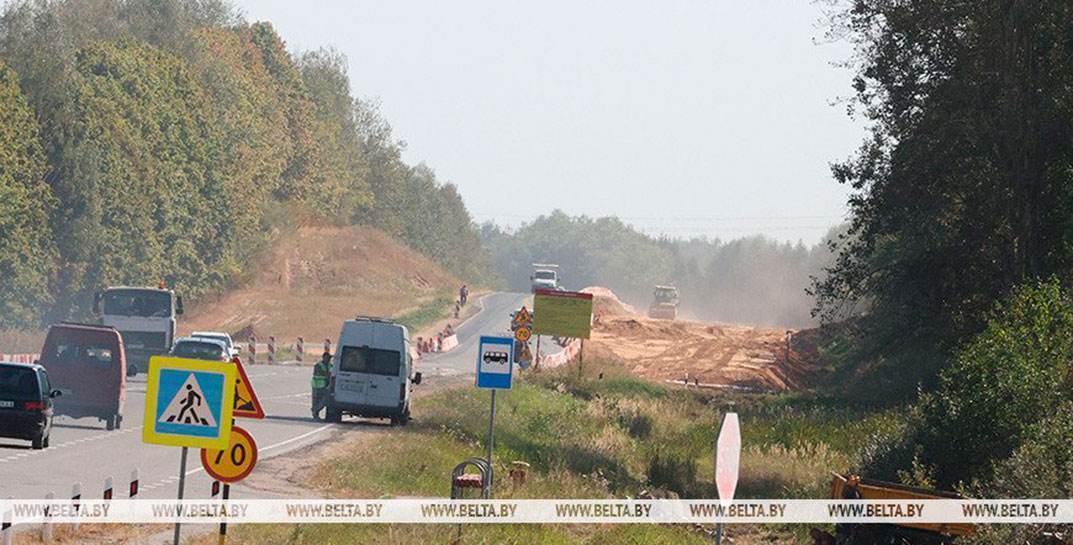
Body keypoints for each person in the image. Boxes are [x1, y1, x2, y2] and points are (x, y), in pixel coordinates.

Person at [311, 351, 331, 421]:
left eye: (329, 358)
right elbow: (322, 373)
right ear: (323, 357)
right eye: (327, 358)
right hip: (317, 385)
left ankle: (315, 410)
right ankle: (315, 414)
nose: (328, 359)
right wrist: (328, 374)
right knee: (316, 401)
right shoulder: (318, 365)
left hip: (325, 386)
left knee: (324, 401)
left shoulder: (330, 365)